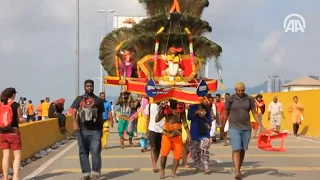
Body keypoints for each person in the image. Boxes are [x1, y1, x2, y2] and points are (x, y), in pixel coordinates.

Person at [224, 82, 265, 179]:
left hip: (246, 127)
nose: (240, 92)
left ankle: (238, 168)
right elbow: (226, 112)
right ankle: (237, 172)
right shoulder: (230, 99)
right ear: (235, 90)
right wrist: (223, 125)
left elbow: (254, 113)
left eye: (242, 90)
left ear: (244, 89)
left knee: (242, 149)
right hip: (234, 127)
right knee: (236, 148)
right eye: (238, 90)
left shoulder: (250, 99)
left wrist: (261, 125)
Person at [71, 80, 105, 180]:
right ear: (84, 87)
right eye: (87, 86)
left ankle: (95, 173)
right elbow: (74, 111)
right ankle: (86, 174)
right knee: (83, 152)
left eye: (91, 86)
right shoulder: (79, 99)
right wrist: (74, 122)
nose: (89, 88)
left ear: (93, 87)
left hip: (95, 130)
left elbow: (101, 116)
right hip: (82, 130)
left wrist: (101, 129)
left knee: (95, 151)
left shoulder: (98, 100)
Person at [156, 100, 190, 179]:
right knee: (164, 154)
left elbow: (184, 122)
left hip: (177, 136)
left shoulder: (181, 110)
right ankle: (162, 170)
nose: (174, 104)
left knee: (177, 156)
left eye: (175, 103)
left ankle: (173, 172)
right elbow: (156, 120)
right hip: (166, 136)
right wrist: (161, 110)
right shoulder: (166, 109)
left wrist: (189, 134)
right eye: (172, 103)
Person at [0, 88, 22, 180]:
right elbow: (20, 119)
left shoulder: (1, 105)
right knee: (17, 156)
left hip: (2, 133)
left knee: (5, 155)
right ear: (13, 95)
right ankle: (15, 177)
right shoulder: (16, 105)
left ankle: (5, 178)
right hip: (13, 132)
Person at [188, 98, 212, 174]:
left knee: (204, 149)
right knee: (195, 150)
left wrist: (204, 116)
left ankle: (206, 167)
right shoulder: (192, 107)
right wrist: (196, 112)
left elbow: (209, 120)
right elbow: (189, 118)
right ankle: (197, 165)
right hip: (195, 132)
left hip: (204, 132)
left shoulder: (206, 108)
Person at [145, 102, 164, 173]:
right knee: (153, 147)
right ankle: (154, 164)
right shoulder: (149, 106)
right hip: (152, 128)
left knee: (158, 148)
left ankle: (155, 161)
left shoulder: (165, 105)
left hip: (162, 130)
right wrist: (147, 130)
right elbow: (147, 119)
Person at [181, 103, 191, 168]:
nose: (189, 104)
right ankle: (185, 163)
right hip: (184, 130)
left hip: (190, 129)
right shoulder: (182, 112)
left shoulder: (191, 111)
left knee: (187, 148)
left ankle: (183, 160)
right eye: (187, 103)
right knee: (185, 148)